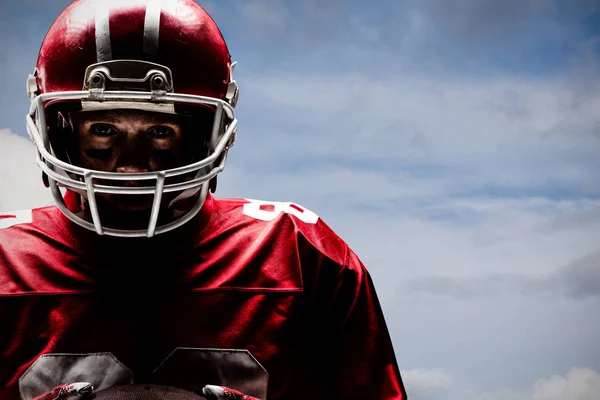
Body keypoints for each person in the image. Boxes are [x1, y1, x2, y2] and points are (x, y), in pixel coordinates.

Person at [0, 1, 407, 399]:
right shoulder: (6, 259)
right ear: (62, 131)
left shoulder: (301, 254)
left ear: (203, 135)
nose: (132, 168)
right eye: (104, 130)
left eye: (160, 132)